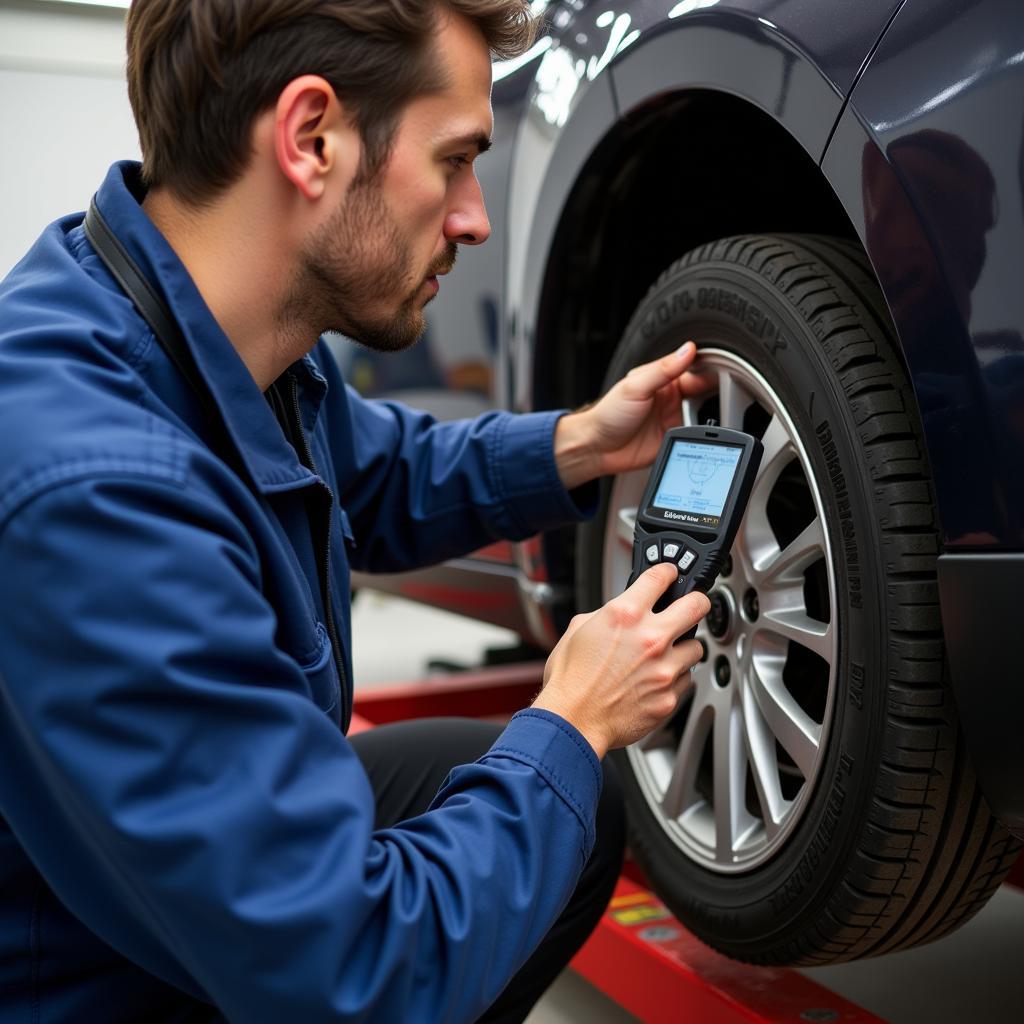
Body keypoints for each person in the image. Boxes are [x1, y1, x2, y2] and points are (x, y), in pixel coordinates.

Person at [0, 2, 710, 1021]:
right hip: (95, 984)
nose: (473, 217)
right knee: (547, 771)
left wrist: (581, 441)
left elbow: (379, 472)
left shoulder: (195, 324)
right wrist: (571, 714)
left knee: (555, 799)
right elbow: (352, 975)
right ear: (311, 138)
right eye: (455, 160)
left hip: (149, 890)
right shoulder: (97, 497)